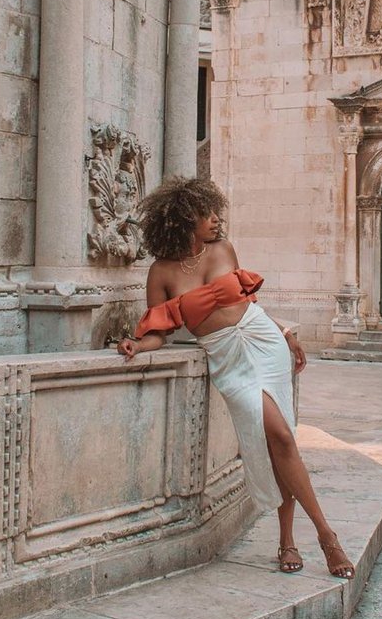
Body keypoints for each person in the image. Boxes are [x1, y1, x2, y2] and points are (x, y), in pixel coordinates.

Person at [117, 177, 354, 579]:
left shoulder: (223, 249)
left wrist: (285, 332)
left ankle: (300, 539)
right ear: (181, 219)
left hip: (263, 340)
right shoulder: (161, 272)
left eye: (214, 212)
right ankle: (322, 535)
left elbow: (248, 303)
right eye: (205, 214)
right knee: (276, 436)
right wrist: (138, 345)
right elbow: (160, 329)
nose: (215, 220)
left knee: (283, 437)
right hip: (226, 355)